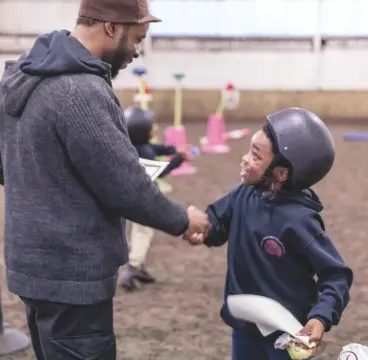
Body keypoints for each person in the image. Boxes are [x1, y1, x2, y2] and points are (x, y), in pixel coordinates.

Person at [0, 0, 210, 359]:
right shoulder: (80, 91)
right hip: (72, 277)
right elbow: (126, 186)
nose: (137, 50)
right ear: (110, 27)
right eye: (136, 37)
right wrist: (182, 219)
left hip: (31, 269)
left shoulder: (21, 75)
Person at [186, 108, 353, 360]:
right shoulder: (243, 194)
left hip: (287, 335)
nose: (244, 159)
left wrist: (320, 318)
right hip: (245, 326)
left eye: (255, 156)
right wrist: (202, 228)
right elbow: (217, 224)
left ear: (282, 173)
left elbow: (336, 275)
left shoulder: (299, 220)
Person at [119, 107, 187, 290]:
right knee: (143, 231)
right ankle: (132, 267)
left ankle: (138, 266)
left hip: (131, 196)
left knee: (140, 232)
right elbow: (161, 171)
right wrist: (179, 159)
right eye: (151, 127)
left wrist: (172, 149)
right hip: (143, 199)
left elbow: (154, 148)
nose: (154, 129)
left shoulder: (131, 145)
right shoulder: (145, 154)